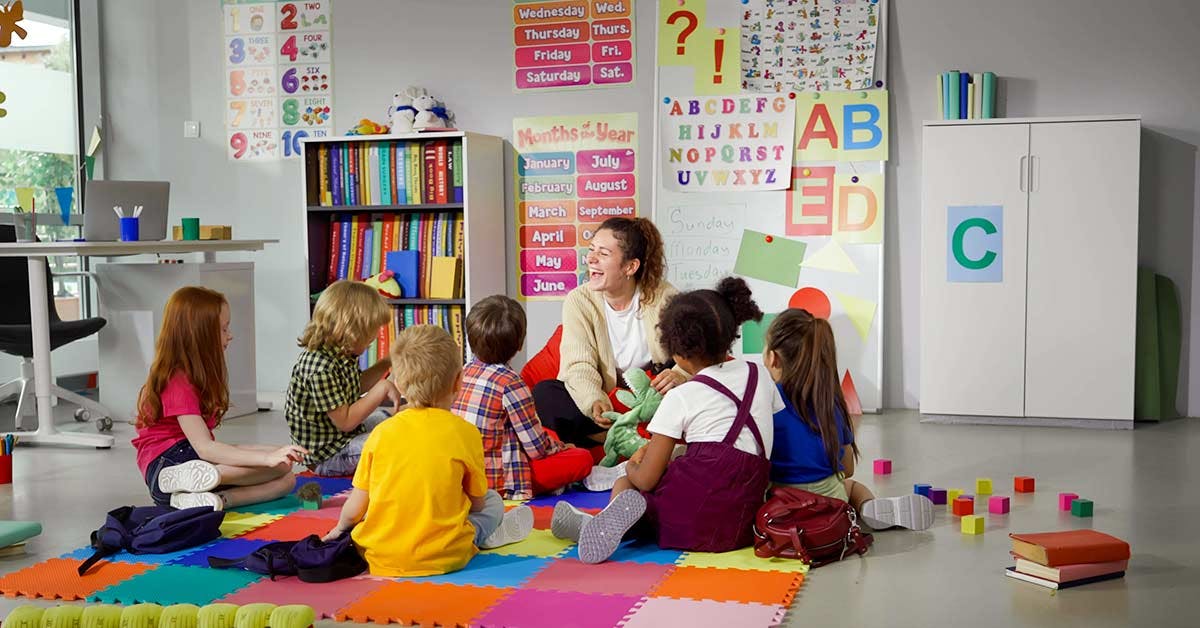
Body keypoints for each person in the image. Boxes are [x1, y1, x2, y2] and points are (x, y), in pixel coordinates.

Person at [552, 277, 781, 563]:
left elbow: (646, 479)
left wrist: (633, 465)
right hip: (741, 523)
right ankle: (597, 524)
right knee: (680, 468)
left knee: (626, 486)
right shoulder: (759, 375)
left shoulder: (681, 396)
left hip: (689, 523)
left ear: (677, 353)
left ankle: (596, 526)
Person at [322, 325, 533, 577]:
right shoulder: (465, 432)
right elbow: (477, 504)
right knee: (493, 501)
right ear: (458, 382)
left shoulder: (381, 433)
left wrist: (339, 530)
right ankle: (482, 537)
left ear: (398, 385)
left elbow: (355, 507)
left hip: (378, 555)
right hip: (447, 554)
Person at [133, 287, 303, 510]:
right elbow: (206, 448)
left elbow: (212, 447)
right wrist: (266, 459)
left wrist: (276, 452)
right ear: (200, 334)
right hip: (167, 465)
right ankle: (196, 479)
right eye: (224, 329)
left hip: (191, 463)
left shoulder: (193, 374)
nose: (230, 335)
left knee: (286, 476)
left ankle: (213, 500)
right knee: (277, 466)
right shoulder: (176, 380)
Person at [764, 308, 933, 530]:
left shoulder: (766, 402)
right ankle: (869, 507)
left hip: (781, 505)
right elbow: (848, 468)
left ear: (773, 358)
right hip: (831, 502)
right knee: (852, 486)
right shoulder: (830, 403)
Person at [532, 217, 688, 448]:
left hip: (651, 395)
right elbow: (578, 364)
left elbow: (693, 353)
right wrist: (593, 400)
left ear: (630, 267)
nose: (591, 259)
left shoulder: (664, 297)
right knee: (545, 393)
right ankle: (617, 438)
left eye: (603, 254)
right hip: (608, 400)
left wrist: (680, 374)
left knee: (688, 386)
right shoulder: (579, 300)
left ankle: (623, 438)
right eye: (591, 250)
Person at [452, 295, 594, 500]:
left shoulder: (463, 371)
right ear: (519, 345)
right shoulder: (511, 384)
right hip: (498, 482)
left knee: (547, 434)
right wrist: (563, 448)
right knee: (582, 458)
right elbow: (536, 449)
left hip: (463, 475)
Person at [284, 281, 399, 477]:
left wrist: (386, 362)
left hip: (344, 437)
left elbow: (355, 387)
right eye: (371, 332)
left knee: (396, 420)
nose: (376, 337)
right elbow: (345, 421)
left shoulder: (340, 354)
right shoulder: (319, 367)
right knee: (394, 441)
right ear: (352, 330)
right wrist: (381, 388)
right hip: (329, 456)